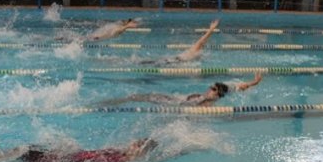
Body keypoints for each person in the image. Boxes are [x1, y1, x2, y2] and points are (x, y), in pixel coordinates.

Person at [0, 138, 158, 162]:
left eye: (136, 145)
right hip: (63, 158)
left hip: (60, 160)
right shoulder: (116, 155)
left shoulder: (117, 158)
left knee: (20, 155)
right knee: (23, 153)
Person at [95, 72, 262, 108]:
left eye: (211, 88)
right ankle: (109, 102)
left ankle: (104, 104)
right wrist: (253, 83)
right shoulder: (214, 95)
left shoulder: (207, 101)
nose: (208, 88)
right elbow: (237, 87)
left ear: (216, 93)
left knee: (136, 97)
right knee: (137, 96)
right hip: (174, 98)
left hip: (174, 103)